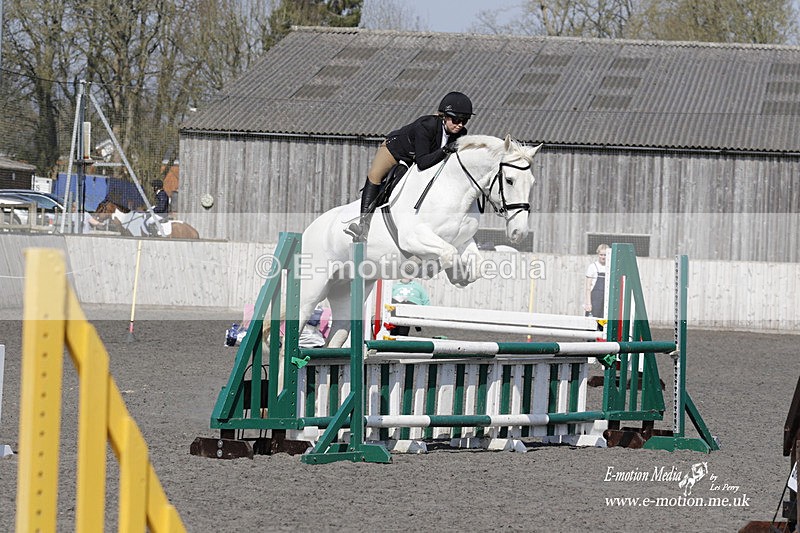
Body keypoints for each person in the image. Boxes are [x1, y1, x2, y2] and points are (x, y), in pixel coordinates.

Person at [346, 91, 474, 241]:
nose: (460, 125)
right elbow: (422, 162)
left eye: (464, 121)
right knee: (375, 175)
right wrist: (445, 150)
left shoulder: (461, 133)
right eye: (456, 119)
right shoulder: (426, 126)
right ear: (444, 116)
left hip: (418, 158)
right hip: (395, 151)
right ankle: (363, 225)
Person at [583, 244, 610, 318]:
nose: (603, 257)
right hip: (594, 300)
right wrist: (588, 303)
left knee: (603, 322)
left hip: (606, 299)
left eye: (605, 255)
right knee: (592, 321)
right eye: (601, 255)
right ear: (598, 254)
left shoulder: (610, 267)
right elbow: (588, 288)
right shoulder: (592, 267)